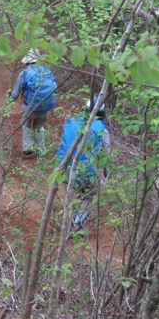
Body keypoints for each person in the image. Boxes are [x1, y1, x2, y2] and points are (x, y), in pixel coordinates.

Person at [56, 96, 111, 225]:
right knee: (88, 195)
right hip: (87, 172)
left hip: (64, 168)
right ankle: (78, 222)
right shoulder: (102, 129)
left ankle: (69, 218)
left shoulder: (71, 121)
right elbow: (106, 154)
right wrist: (105, 173)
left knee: (73, 192)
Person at [8, 49, 57, 157]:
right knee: (39, 127)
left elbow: (16, 92)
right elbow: (54, 88)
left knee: (26, 125)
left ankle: (28, 147)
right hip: (46, 106)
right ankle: (42, 150)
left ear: (27, 62)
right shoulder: (47, 71)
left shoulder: (24, 73)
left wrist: (9, 100)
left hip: (30, 106)